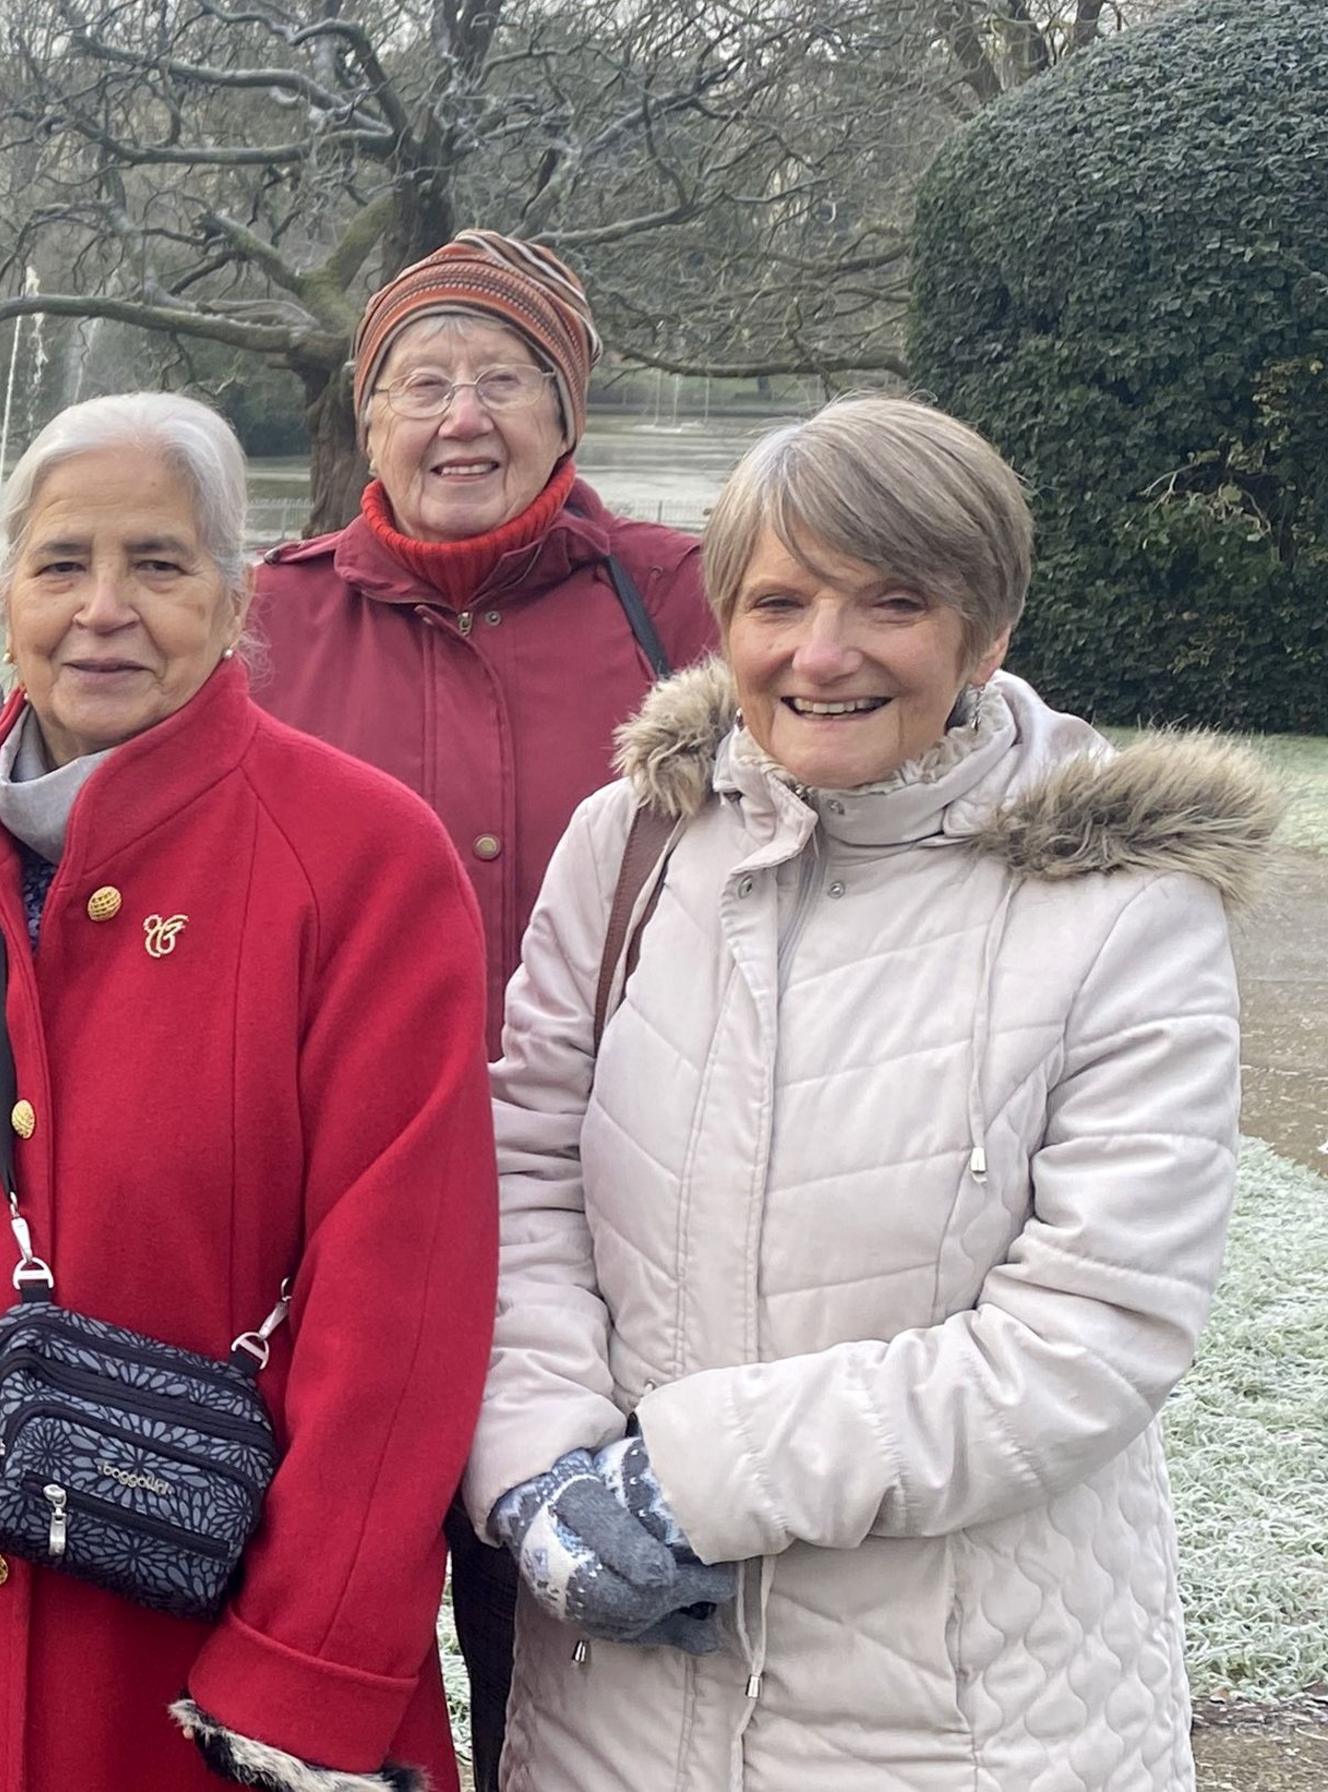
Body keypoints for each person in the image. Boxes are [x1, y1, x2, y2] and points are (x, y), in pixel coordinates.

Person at [0, 392, 494, 1792]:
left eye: (159, 565)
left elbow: (402, 1295)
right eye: (62, 564)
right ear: (7, 595)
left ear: (238, 597)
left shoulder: (364, 860)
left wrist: (306, 1658)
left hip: (183, 1655)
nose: (103, 608)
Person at [473, 397, 1273, 1790]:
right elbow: (521, 1173)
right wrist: (543, 1462)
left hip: (970, 1724)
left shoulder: (1123, 909)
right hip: (614, 1716)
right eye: (778, 600)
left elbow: (1094, 1329)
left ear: (987, 629)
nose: (822, 653)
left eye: (891, 602)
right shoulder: (634, 845)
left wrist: (689, 1480)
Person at [241, 229, 712, 1787]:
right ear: (368, 420)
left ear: (567, 414)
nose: (464, 417)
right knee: (326, 1644)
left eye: (504, 379)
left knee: (579, 1655)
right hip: (331, 1244)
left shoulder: (688, 605)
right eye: (424, 381)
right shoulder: (265, 624)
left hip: (613, 1233)